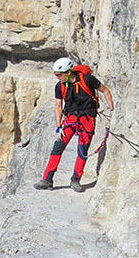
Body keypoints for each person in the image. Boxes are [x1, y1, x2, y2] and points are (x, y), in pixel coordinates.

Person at [34, 57, 114, 192]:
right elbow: (58, 106)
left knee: (82, 150)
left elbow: (105, 90)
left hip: (87, 119)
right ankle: (47, 179)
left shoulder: (88, 80)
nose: (57, 77)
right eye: (56, 74)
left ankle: (76, 180)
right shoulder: (60, 86)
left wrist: (112, 109)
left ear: (69, 72)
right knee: (57, 148)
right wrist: (58, 126)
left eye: (59, 74)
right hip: (70, 119)